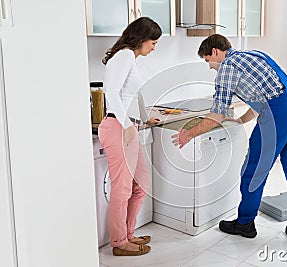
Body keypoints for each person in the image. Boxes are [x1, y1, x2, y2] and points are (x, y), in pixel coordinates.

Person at [171, 34, 287, 247]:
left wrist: (189, 133)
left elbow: (216, 115)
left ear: (215, 52)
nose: (211, 67)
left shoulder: (227, 67)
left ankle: (245, 223)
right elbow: (266, 97)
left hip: (280, 115)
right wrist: (241, 119)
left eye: (208, 61)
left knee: (253, 172)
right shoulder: (255, 54)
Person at [98, 17, 161, 256]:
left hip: (128, 127)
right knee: (122, 189)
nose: (154, 47)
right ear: (141, 38)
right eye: (153, 42)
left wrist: (143, 119)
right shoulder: (124, 55)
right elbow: (111, 92)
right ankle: (119, 242)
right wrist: (126, 126)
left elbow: (134, 96)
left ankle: (128, 234)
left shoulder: (132, 59)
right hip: (117, 127)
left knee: (141, 184)